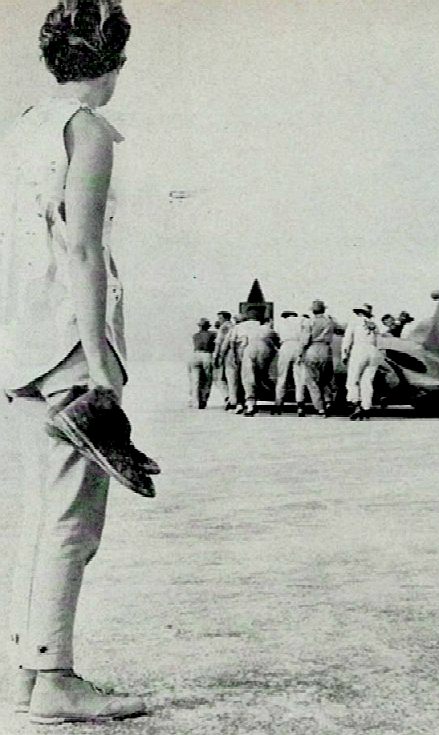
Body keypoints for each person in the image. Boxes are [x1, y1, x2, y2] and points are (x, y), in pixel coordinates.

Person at [0, 1, 148, 723]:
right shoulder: (87, 132)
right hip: (68, 345)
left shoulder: (23, 128)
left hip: (22, 342)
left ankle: (29, 672)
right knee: (73, 521)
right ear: (115, 62)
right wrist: (100, 367)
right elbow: (85, 251)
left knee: (41, 514)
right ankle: (55, 678)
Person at [235, 309, 279, 416]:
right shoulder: (266, 328)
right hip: (265, 350)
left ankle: (250, 405)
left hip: (249, 349)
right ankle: (277, 400)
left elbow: (243, 343)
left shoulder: (243, 327)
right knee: (264, 377)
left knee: (248, 378)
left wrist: (239, 358)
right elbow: (276, 341)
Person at [341, 303, 381, 420]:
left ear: (359, 312)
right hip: (373, 351)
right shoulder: (374, 324)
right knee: (367, 381)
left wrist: (345, 354)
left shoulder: (354, 322)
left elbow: (347, 339)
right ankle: (366, 407)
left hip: (359, 349)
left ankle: (356, 404)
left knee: (353, 380)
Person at [300, 300, 335, 417]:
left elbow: (305, 340)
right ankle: (328, 400)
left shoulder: (309, 322)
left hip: (313, 348)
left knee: (312, 381)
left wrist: (301, 353)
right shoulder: (329, 321)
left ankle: (320, 408)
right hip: (326, 349)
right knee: (326, 378)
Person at [273, 310, 306, 416]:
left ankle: (278, 404)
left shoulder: (280, 323)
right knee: (299, 378)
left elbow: (275, 337)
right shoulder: (302, 320)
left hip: (285, 346)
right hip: (298, 346)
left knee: (282, 377)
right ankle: (300, 405)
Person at [188, 318, 216, 408]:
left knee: (195, 380)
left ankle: (194, 399)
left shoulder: (195, 335)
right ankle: (203, 399)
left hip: (195, 354)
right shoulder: (212, 334)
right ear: (208, 326)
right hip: (207, 354)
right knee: (207, 379)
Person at [212, 310, 232, 407]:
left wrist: (215, 356)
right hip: (233, 354)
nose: (219, 320)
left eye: (220, 318)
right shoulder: (234, 326)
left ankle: (227, 397)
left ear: (225, 318)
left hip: (224, 354)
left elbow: (219, 342)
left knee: (219, 378)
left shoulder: (223, 327)